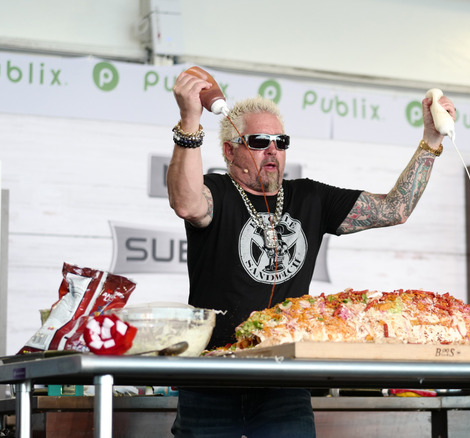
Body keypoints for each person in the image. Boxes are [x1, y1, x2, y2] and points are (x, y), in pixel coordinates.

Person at [166, 69, 455, 438]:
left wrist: (431, 139)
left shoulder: (310, 197)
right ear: (229, 150)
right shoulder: (216, 191)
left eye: (281, 141)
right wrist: (190, 121)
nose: (272, 150)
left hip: (283, 384)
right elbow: (187, 204)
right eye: (258, 141)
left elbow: (394, 209)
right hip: (211, 379)